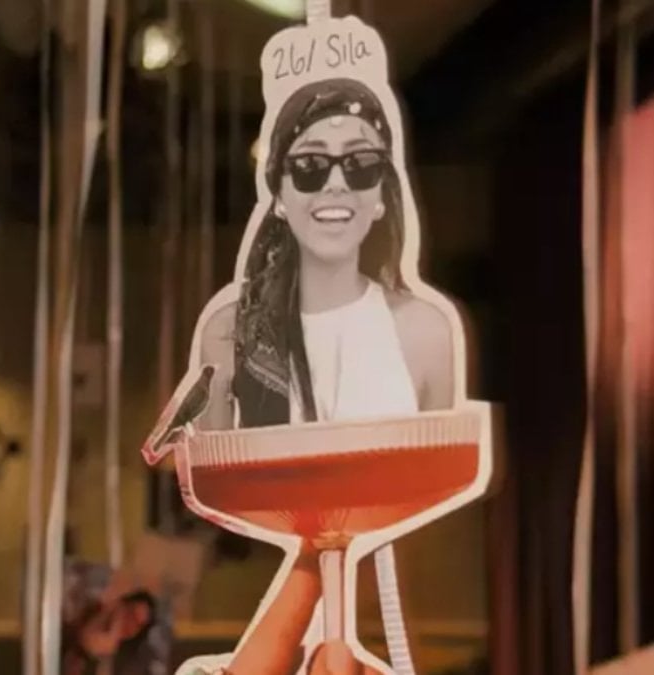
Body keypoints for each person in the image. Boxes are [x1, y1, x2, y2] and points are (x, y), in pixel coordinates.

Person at [188, 77, 457, 674]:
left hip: (385, 620)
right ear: (279, 192)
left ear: (382, 193)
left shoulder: (427, 332)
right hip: (254, 612)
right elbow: (212, 482)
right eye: (310, 167)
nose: (336, 183)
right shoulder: (231, 333)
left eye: (360, 166)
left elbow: (437, 496)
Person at [65, 574, 164, 675]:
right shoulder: (88, 614)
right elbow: (89, 640)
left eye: (138, 625)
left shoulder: (126, 660)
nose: (131, 625)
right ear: (121, 606)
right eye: (131, 614)